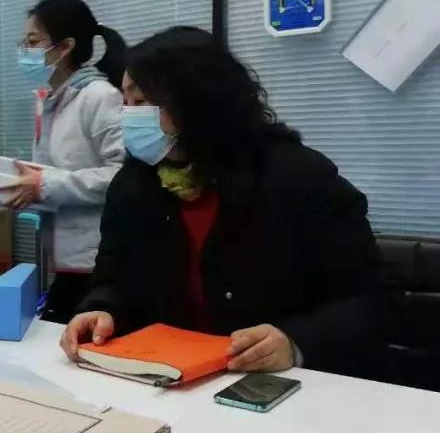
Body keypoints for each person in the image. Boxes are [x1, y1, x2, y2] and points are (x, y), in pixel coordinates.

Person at [59, 26, 384, 378]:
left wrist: (294, 341)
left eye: (142, 102)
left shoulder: (298, 177)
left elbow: (374, 301)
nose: (129, 116)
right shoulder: (133, 185)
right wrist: (101, 309)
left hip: (276, 384)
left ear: (196, 102)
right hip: (168, 378)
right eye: (126, 103)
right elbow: (112, 278)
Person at [0, 0, 126, 322]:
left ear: (65, 46)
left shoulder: (99, 96)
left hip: (96, 261)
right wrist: (24, 189)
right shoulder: (53, 99)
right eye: (23, 43)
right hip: (64, 258)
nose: (25, 51)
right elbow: (55, 173)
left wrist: (44, 185)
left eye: (33, 42)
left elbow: (121, 177)